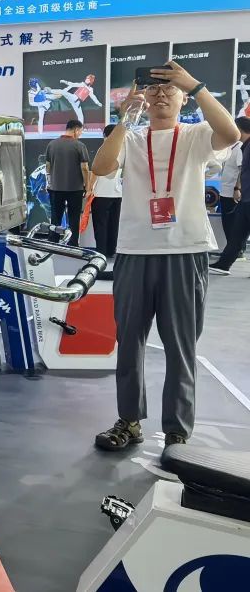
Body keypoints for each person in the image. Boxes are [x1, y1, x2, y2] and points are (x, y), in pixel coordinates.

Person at [92, 61, 239, 452]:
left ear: (182, 98)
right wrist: (125, 118)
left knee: (181, 346)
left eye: (168, 88)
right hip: (134, 251)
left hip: (184, 252)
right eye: (152, 89)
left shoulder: (196, 135)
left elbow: (230, 133)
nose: (160, 94)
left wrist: (196, 86)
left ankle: (178, 430)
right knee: (129, 342)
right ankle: (129, 420)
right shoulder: (131, 138)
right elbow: (101, 167)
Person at [209, 116, 250, 275]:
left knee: (237, 232)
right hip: (245, 199)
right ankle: (224, 264)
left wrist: (237, 187)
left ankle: (224, 263)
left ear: (238, 130)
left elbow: (240, 170)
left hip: (245, 197)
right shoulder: (244, 147)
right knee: (237, 233)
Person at [45, 120, 91, 246]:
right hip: (75, 189)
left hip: (55, 188)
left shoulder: (52, 144)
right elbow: (85, 168)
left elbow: (48, 166)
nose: (80, 134)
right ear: (76, 130)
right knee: (74, 218)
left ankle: (52, 243)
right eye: (80, 131)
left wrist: (50, 182)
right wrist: (88, 186)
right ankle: (73, 244)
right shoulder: (80, 146)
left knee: (55, 218)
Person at [89, 124, 123, 264]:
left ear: (104, 135)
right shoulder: (121, 149)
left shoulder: (103, 150)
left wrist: (89, 188)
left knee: (100, 224)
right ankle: (111, 250)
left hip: (101, 193)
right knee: (114, 224)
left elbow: (95, 172)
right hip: (117, 193)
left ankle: (101, 251)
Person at [215, 126, 246, 266]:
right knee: (229, 225)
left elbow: (241, 169)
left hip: (234, 193)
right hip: (225, 191)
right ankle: (228, 254)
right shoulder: (229, 148)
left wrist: (237, 188)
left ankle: (237, 252)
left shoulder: (239, 148)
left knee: (234, 225)